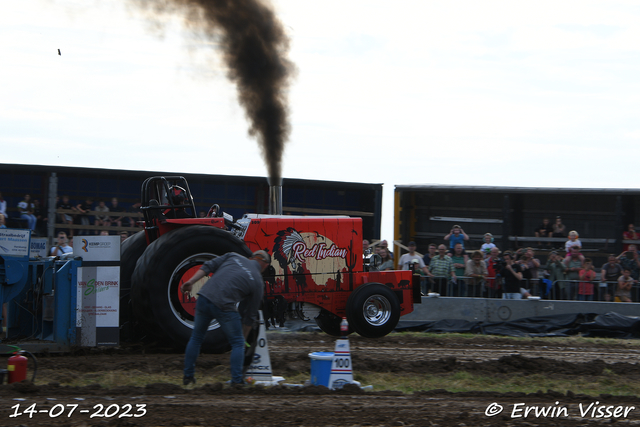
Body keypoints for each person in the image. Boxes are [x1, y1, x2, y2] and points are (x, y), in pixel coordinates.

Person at [181, 251, 270, 386]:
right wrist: (243, 338)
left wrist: (191, 281)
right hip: (224, 306)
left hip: (204, 298)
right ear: (265, 265)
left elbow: (208, 266)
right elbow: (250, 316)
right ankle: (236, 381)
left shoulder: (233, 256)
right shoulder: (258, 281)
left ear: (251, 258)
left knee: (196, 338)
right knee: (238, 343)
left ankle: (188, 377)